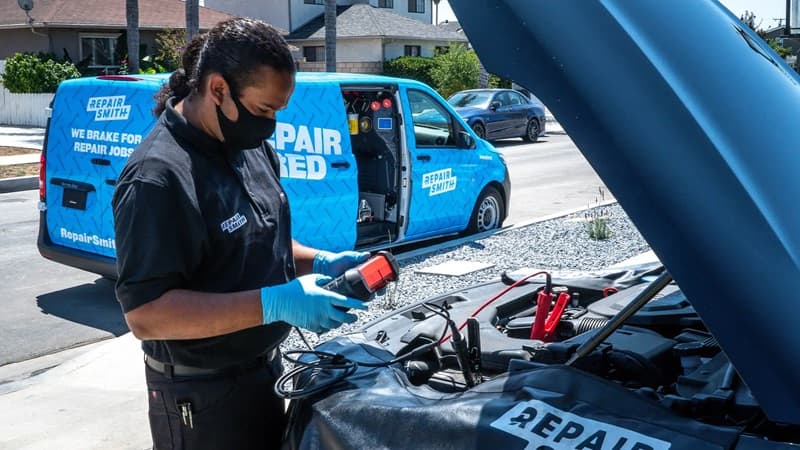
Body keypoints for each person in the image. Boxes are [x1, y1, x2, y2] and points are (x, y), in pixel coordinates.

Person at [112, 18, 369, 449]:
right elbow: (146, 315)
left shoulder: (249, 147)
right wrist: (276, 303)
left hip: (263, 371)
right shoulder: (157, 177)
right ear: (218, 89)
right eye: (264, 110)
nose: (270, 124)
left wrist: (320, 261)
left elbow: (256, 238)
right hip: (202, 395)